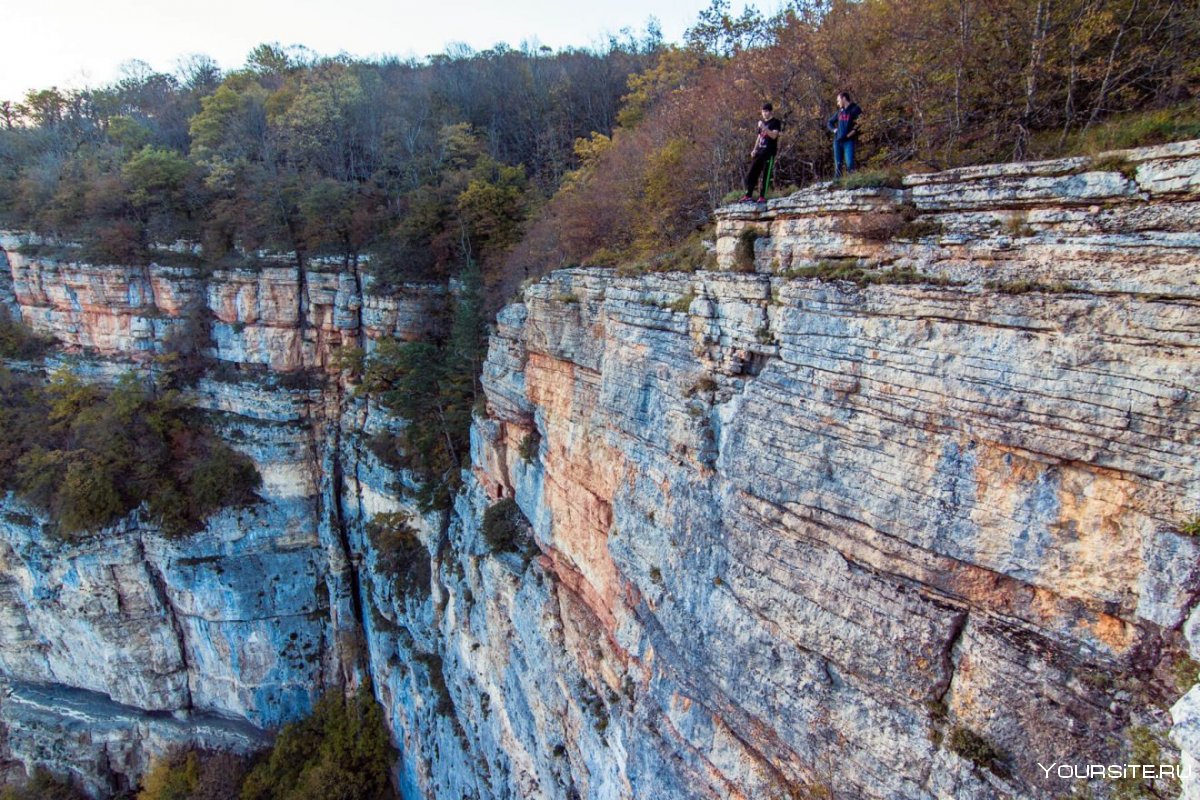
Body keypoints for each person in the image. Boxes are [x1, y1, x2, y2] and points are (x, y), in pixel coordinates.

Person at [740, 103, 782, 203]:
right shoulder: (762, 123)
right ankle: (748, 195)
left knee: (766, 174)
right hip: (760, 151)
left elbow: (773, 136)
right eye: (763, 111)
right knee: (752, 173)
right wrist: (754, 149)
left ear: (771, 111)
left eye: (766, 111)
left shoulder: (775, 122)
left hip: (769, 151)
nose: (764, 113)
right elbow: (759, 137)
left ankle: (762, 196)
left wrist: (764, 127)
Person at [827, 92, 862, 178]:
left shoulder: (855, 109)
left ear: (844, 98)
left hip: (848, 141)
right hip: (837, 141)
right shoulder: (840, 111)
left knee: (849, 162)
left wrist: (850, 134)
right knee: (838, 164)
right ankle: (837, 184)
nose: (838, 103)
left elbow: (860, 123)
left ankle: (852, 181)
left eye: (838, 100)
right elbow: (829, 122)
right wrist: (834, 130)